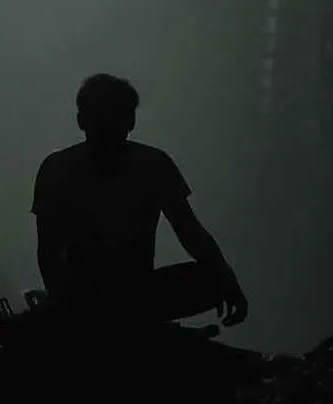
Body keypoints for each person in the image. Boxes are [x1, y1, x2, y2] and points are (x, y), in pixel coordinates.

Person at [31, 74, 249, 326]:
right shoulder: (151, 164)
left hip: (123, 294)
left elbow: (47, 249)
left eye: (112, 117)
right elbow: (190, 231)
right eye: (102, 118)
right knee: (211, 277)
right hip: (94, 297)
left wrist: (223, 277)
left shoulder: (58, 168)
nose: (107, 128)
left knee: (211, 276)